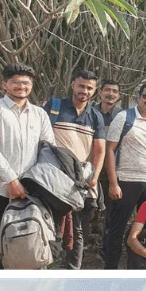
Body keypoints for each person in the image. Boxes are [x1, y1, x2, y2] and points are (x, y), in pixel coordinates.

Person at [0, 62, 56, 269]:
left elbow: (48, 148)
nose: (21, 87)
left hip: (31, 190)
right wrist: (11, 180)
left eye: (26, 83)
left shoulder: (40, 114)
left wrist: (37, 182)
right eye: (16, 83)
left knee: (28, 240)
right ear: (4, 84)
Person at [103, 83, 146, 269]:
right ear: (138, 97)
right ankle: (110, 268)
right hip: (126, 181)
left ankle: (138, 265)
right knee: (117, 228)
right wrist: (113, 183)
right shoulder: (124, 117)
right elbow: (110, 150)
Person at [45, 70, 105, 269]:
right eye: (81, 86)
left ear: (95, 91)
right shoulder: (55, 107)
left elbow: (100, 150)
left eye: (89, 88)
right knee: (49, 224)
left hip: (79, 181)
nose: (84, 91)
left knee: (77, 228)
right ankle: (45, 265)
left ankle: (73, 269)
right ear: (72, 85)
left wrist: (94, 177)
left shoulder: (95, 116)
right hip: (53, 177)